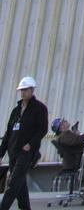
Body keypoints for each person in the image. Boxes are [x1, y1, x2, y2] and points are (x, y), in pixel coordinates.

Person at [0, 76, 49, 210]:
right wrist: (1, 153)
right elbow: (8, 133)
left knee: (13, 182)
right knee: (20, 185)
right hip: (13, 152)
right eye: (21, 90)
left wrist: (31, 144)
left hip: (26, 152)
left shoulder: (39, 108)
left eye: (25, 90)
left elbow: (42, 129)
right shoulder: (16, 111)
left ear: (32, 90)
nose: (23, 92)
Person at [50, 120, 84, 194]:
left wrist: (77, 133)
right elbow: (78, 140)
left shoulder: (66, 135)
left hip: (76, 159)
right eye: (63, 122)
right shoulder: (64, 136)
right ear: (61, 128)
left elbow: (76, 140)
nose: (65, 121)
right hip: (75, 162)